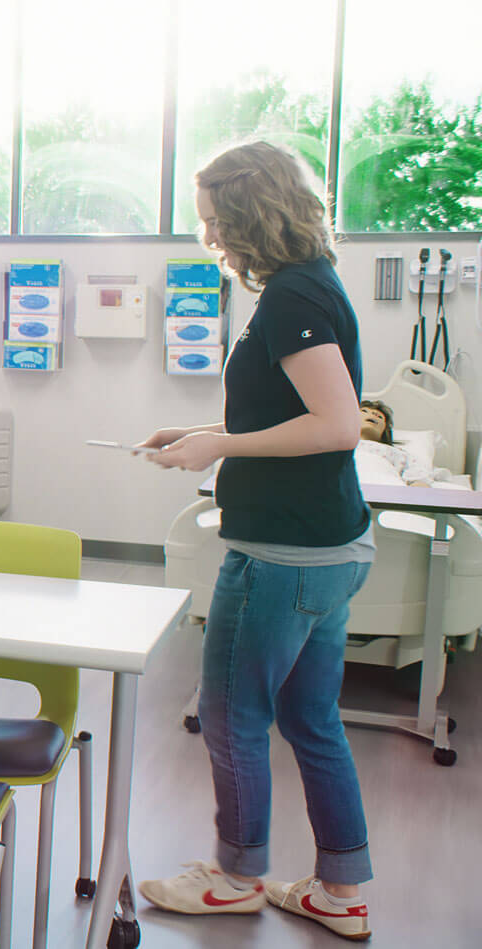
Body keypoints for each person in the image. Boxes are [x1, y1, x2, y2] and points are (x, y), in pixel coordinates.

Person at [135, 141, 375, 942]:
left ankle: (236, 874)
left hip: (281, 554)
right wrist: (208, 430)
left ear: (250, 213)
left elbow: (337, 424)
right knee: (312, 718)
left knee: (232, 713)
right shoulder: (312, 284)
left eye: (215, 222)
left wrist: (222, 447)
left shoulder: (289, 299)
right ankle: (341, 889)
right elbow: (300, 411)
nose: (213, 240)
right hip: (325, 547)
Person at [356, 399, 436, 486]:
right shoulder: (342, 445)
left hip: (386, 491)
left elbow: (418, 479)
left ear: (385, 431)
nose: (374, 414)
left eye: (380, 417)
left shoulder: (396, 453)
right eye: (364, 411)